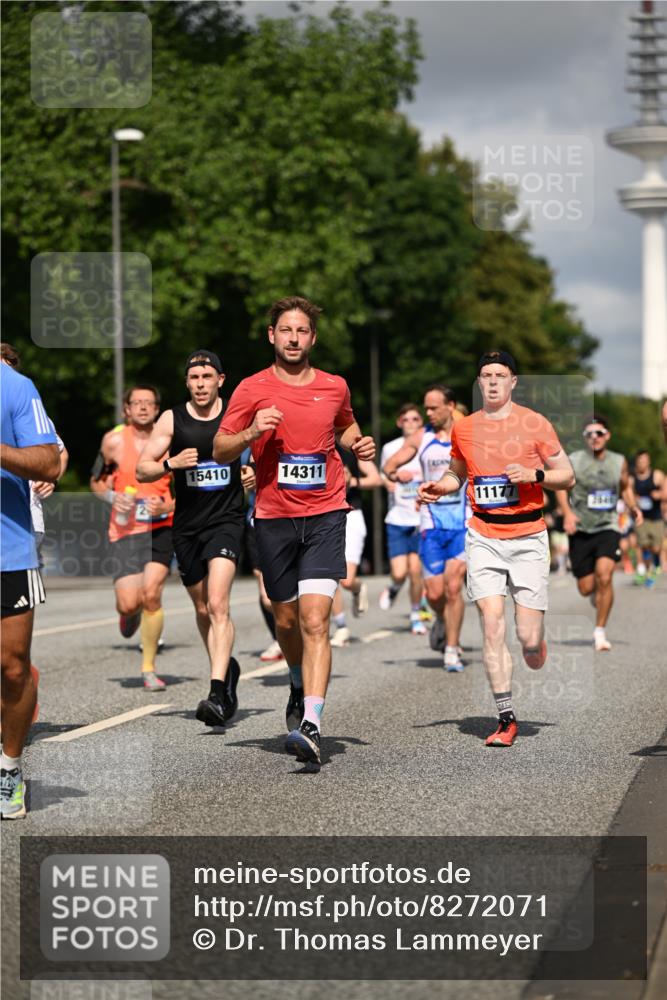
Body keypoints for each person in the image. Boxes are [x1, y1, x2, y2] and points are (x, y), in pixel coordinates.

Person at [213, 295, 375, 770]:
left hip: (327, 513)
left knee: (315, 620)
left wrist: (357, 442)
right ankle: (297, 680)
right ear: (272, 335)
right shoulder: (251, 389)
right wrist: (250, 433)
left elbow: (345, 427)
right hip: (274, 517)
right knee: (284, 621)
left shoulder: (334, 386)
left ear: (312, 338)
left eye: (302, 331)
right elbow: (221, 448)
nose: (293, 338)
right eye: (285, 330)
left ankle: (312, 723)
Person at [418, 351, 575, 747]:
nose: (492, 382)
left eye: (499, 375)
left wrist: (534, 474)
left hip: (527, 537)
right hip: (484, 535)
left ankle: (536, 641)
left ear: (513, 382)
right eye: (486, 375)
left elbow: (567, 475)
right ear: (479, 382)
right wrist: (441, 486)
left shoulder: (534, 424)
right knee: (491, 623)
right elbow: (458, 472)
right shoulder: (465, 428)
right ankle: (506, 717)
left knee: (527, 637)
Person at [137, 351, 249, 726]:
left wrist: (251, 473)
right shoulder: (172, 418)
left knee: (218, 604)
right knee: (203, 610)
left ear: (221, 379)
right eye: (194, 377)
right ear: (187, 382)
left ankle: (217, 692)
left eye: (207, 376)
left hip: (227, 521)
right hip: (186, 526)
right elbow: (142, 468)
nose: (200, 383)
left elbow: (262, 452)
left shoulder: (235, 414)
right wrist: (171, 464)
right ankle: (225, 669)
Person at [1, 360, 60, 818]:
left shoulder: (15, 385)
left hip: (9, 549)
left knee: (13, 667)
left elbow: (48, 461)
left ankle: (10, 769)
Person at [90, 385, 174, 690]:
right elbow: (96, 481)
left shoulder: (168, 442)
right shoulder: (113, 442)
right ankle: (129, 614)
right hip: (124, 530)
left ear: (157, 409)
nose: (142, 408)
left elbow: (188, 490)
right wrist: (112, 497)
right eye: (136, 403)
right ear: (126, 409)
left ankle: (148, 668)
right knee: (129, 603)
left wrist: (168, 505)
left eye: (148, 403)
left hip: (161, 527)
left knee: (151, 593)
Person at [384, 385, 468, 671]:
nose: (428, 413)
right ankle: (443, 620)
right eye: (426, 408)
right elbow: (390, 465)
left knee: (454, 585)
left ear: (451, 405)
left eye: (433, 408)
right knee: (434, 594)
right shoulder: (423, 437)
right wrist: (397, 473)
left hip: (463, 521)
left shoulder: (466, 432)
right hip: (431, 522)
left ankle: (452, 649)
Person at [556, 416, 643, 651]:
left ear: (608, 435)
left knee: (605, 575)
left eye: (599, 433)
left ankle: (600, 632)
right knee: (586, 588)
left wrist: (633, 506)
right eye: (589, 434)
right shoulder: (574, 460)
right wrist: (567, 513)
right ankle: (597, 594)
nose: (595, 437)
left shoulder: (619, 461)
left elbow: (625, 486)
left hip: (608, 526)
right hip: (581, 528)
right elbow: (562, 487)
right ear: (585, 438)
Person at [378, 404, 429, 635]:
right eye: (406, 419)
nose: (411, 423)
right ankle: (394, 587)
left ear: (421, 422)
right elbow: (384, 474)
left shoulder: (427, 445)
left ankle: (416, 615)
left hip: (421, 517)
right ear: (399, 423)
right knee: (400, 572)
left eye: (415, 419)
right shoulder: (390, 448)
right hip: (397, 517)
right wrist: (393, 478)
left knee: (416, 571)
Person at [329, 447, 381, 646]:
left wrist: (352, 481)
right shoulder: (312, 444)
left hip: (351, 515)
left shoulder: (350, 448)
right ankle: (341, 627)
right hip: (326, 515)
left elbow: (376, 479)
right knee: (330, 574)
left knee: (347, 581)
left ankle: (358, 588)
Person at [631, 449, 665, 582]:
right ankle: (642, 569)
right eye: (639, 461)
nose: (642, 463)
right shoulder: (632, 478)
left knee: (656, 547)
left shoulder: (657, 475)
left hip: (656, 517)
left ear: (649, 461)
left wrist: (659, 495)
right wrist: (635, 499)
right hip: (641, 518)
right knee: (642, 544)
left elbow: (665, 492)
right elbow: (627, 495)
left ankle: (655, 561)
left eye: (644, 460)